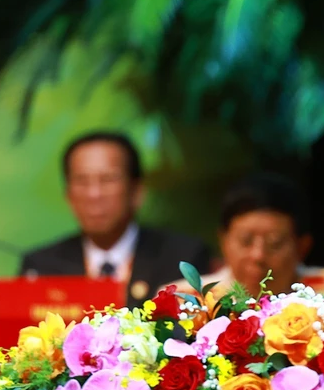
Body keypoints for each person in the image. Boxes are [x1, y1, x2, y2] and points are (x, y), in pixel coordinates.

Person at [19, 132, 212, 309]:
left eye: (108, 179)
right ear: (68, 195)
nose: (94, 194)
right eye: (81, 181)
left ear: (137, 191)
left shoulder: (182, 258)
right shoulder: (41, 267)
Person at [170, 173, 324, 298]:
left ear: (302, 246)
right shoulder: (183, 299)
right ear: (223, 241)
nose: (258, 255)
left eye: (275, 243)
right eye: (245, 241)